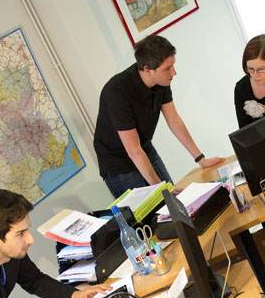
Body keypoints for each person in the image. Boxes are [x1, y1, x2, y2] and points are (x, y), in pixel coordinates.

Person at [93, 34, 223, 198]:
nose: (174, 72)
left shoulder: (161, 82)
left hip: (144, 148)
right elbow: (134, 151)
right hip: (118, 163)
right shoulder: (117, 92)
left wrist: (201, 159)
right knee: (151, 215)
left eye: (173, 65)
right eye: (167, 68)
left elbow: (174, 121)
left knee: (175, 202)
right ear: (147, 70)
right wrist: (161, 189)